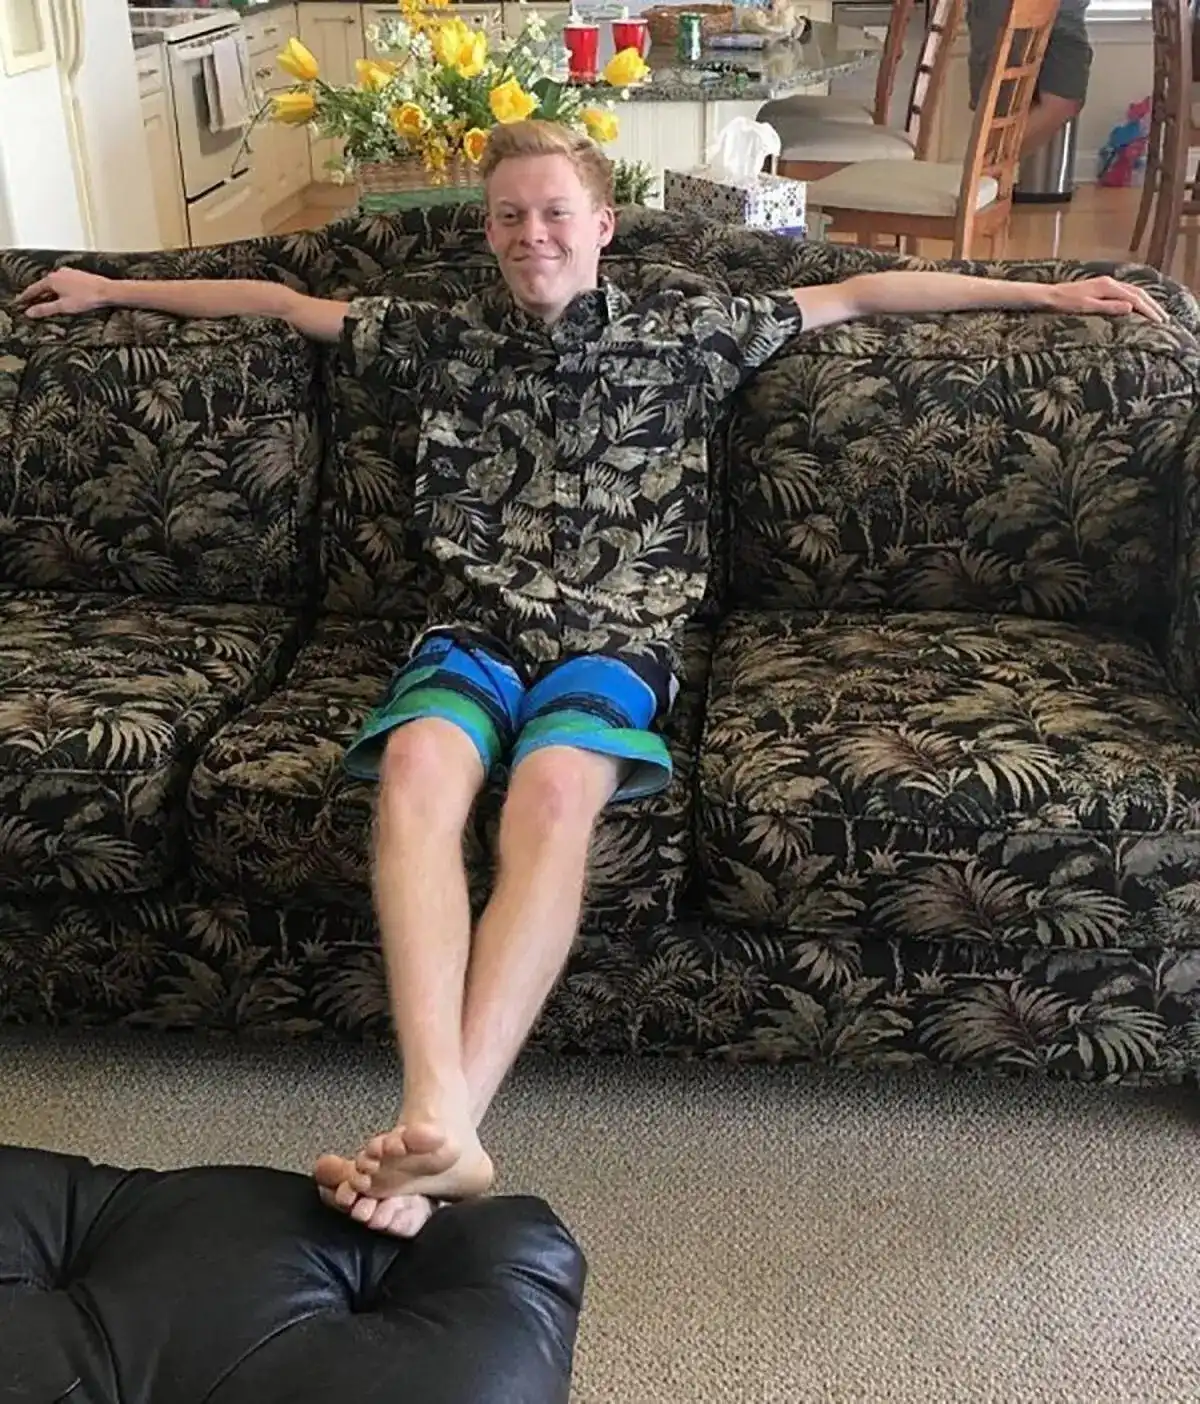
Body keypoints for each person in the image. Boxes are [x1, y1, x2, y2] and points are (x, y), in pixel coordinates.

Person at [18, 120, 1164, 1239]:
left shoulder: (690, 334)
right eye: (509, 216)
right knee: (415, 775)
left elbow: (861, 295)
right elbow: (278, 301)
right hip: (471, 630)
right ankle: (439, 1117)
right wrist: (113, 286)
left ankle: (445, 1130)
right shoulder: (433, 338)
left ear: (602, 224)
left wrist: (1056, 295)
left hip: (617, 636)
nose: (533, 234)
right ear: (487, 230)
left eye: (555, 212)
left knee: (555, 793)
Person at [968, 0, 1093, 157]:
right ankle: (986, 165)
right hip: (1007, 6)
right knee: (1003, 108)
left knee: (1066, 99)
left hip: (1066, 10)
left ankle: (987, 163)